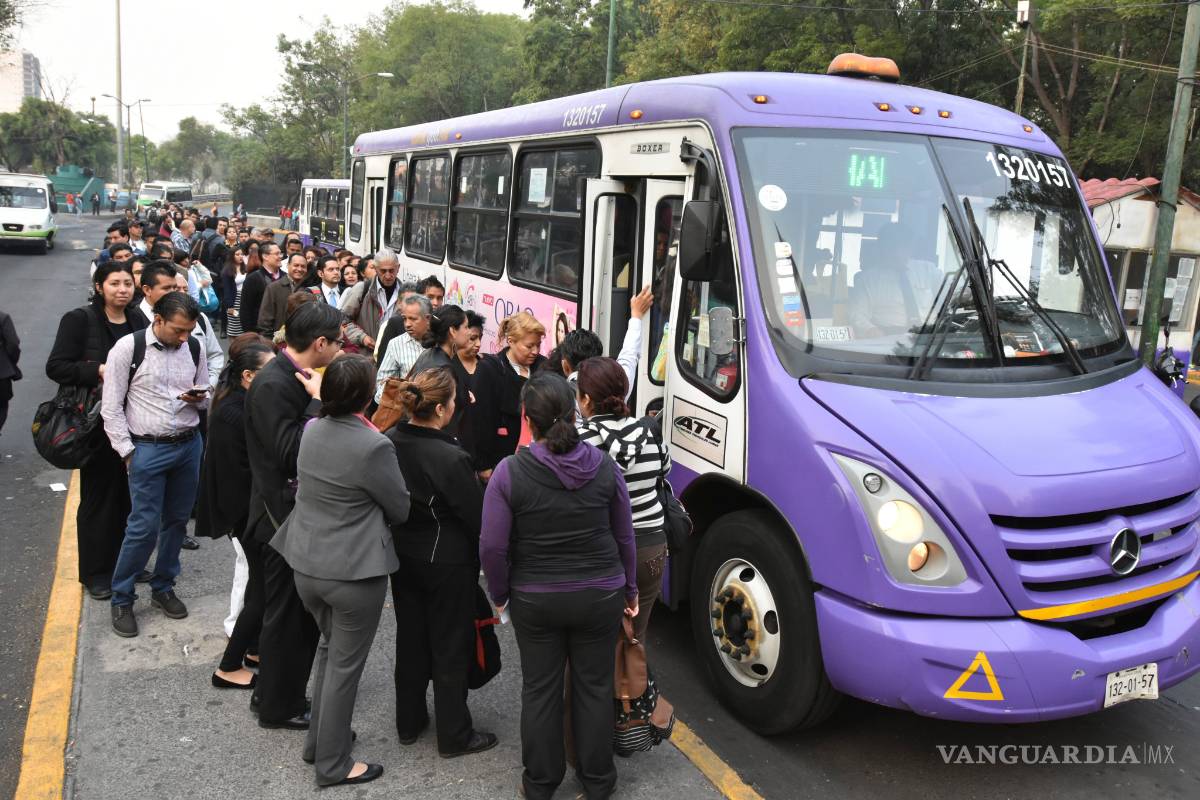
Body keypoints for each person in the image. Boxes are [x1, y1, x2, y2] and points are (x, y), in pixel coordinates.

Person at [480, 373, 637, 800]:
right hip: (601, 592)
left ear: (528, 420)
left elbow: (492, 547)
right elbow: (624, 535)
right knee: (594, 686)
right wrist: (631, 590)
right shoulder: (605, 466)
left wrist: (500, 596)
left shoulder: (510, 473)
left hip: (536, 597)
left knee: (540, 689)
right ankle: (598, 780)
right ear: (573, 413)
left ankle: (540, 783)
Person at [271, 354, 410, 786]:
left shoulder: (313, 430)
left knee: (330, 653)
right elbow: (400, 508)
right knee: (344, 667)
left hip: (306, 562)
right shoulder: (374, 445)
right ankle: (333, 765)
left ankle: (320, 742)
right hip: (352, 571)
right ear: (368, 397)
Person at [386, 367, 497, 757]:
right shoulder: (450, 457)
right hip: (447, 561)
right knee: (450, 646)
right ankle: (454, 734)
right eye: (453, 401)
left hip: (402, 554)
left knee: (411, 639)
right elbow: (478, 517)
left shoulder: (391, 440)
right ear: (440, 410)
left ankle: (409, 721)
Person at [244, 302, 344, 730]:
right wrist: (318, 405)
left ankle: (271, 692)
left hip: (288, 515)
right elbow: (290, 453)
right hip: (279, 519)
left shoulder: (291, 376)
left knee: (287, 615)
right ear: (319, 344)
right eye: (337, 342)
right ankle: (279, 706)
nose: (340, 349)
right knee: (287, 619)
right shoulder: (276, 384)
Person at [100, 292, 208, 638]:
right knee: (142, 527)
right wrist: (128, 453)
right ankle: (122, 597)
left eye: (189, 330)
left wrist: (200, 397)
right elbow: (111, 407)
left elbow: (205, 388)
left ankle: (163, 586)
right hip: (147, 449)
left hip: (188, 445)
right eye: (178, 330)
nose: (184, 337)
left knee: (177, 521)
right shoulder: (127, 349)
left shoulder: (193, 347)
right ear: (157, 320)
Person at [46, 262, 148, 599]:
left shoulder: (137, 320)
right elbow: (57, 366)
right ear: (100, 286)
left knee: (128, 498)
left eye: (127, 284)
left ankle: (125, 563)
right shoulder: (80, 320)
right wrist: (100, 369)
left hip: (133, 419)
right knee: (98, 499)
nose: (122, 289)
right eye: (115, 283)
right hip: (94, 424)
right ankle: (96, 573)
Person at [196, 339, 275, 689]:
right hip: (247, 514)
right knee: (261, 591)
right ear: (247, 375)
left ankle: (254, 649)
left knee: (261, 586)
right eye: (268, 371)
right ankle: (228, 667)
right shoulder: (238, 411)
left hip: (245, 512)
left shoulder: (236, 402)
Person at [575, 357, 670, 642]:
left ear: (587, 399)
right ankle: (632, 685)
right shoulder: (649, 431)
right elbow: (663, 472)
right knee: (634, 637)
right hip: (651, 547)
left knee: (591, 641)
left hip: (603, 548)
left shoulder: (579, 441)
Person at [472, 312, 546, 480]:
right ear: (511, 341)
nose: (535, 351)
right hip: (502, 460)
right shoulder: (490, 369)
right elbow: (481, 419)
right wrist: (483, 465)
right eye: (529, 346)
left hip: (539, 462)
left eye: (538, 345)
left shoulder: (544, 366)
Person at [341, 248, 401, 354]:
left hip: (395, 355)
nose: (387, 275)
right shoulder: (361, 289)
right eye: (383, 271)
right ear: (376, 269)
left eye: (391, 270)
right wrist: (362, 338)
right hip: (365, 356)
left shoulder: (406, 293)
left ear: (398, 268)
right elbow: (343, 321)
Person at [374, 294, 431, 401]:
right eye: (404, 318)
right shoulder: (395, 344)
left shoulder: (442, 342)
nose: (407, 324)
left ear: (427, 318)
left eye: (413, 319)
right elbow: (381, 384)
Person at [258, 252, 312, 337]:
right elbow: (265, 319)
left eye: (303, 266)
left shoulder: (310, 289)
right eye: (296, 265)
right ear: (288, 266)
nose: (299, 269)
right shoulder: (273, 288)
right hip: (279, 341)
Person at [240, 241, 284, 336]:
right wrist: (251, 334)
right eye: (277, 254)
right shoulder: (253, 279)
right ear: (265, 256)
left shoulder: (286, 277)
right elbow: (246, 309)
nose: (280, 256)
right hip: (260, 333)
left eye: (281, 253)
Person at [373, 281, 421, 362]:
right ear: (399, 303)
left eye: (414, 301)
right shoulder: (389, 324)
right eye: (407, 301)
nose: (411, 306)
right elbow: (379, 357)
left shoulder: (424, 324)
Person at [222, 246, 249, 338]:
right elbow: (227, 290)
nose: (240, 256)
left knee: (244, 325)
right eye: (237, 254)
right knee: (234, 326)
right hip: (234, 299)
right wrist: (230, 306)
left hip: (245, 298)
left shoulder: (246, 268)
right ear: (232, 256)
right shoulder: (227, 271)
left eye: (242, 254)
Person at [0, 307, 18, 436]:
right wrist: (8, 362)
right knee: (1, 407)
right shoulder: (2, 318)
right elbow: (13, 344)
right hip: (1, 373)